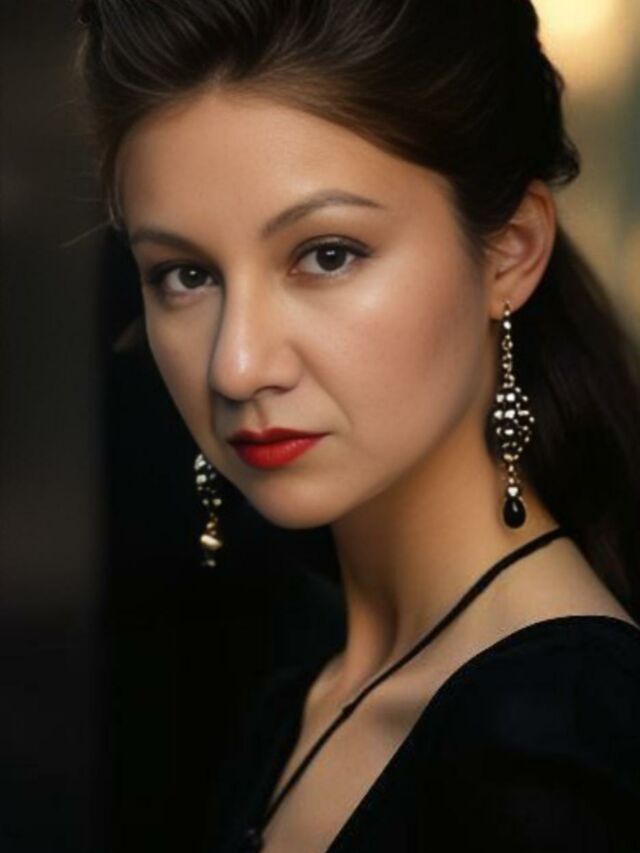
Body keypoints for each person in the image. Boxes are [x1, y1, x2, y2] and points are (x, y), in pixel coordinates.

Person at [75, 0, 640, 850]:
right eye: (185, 274)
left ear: (511, 251)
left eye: (327, 254)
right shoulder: (298, 699)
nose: (237, 365)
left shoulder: (558, 748)